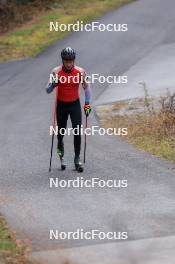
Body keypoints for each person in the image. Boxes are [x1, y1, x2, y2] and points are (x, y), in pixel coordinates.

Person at [46, 47, 91, 172]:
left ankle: (77, 159)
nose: (69, 63)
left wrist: (87, 104)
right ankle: (61, 157)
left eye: (71, 61)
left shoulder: (80, 72)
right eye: (66, 61)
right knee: (60, 134)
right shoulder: (55, 72)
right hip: (61, 105)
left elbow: (87, 89)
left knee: (77, 132)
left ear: (74, 60)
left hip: (74, 104)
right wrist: (54, 84)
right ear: (63, 60)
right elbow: (47, 90)